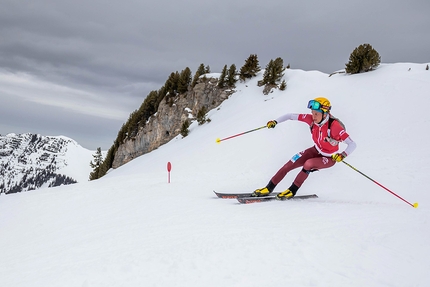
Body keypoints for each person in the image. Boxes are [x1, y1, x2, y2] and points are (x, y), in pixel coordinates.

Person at [252, 97, 357, 200]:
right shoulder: (311, 120)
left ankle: (292, 190)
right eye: (312, 112)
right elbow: (290, 116)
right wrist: (275, 121)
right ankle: (268, 188)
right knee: (290, 162)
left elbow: (352, 144)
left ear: (325, 114)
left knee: (308, 164)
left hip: (329, 158)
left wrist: (342, 155)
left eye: (316, 114)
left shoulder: (334, 126)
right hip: (315, 150)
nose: (313, 116)